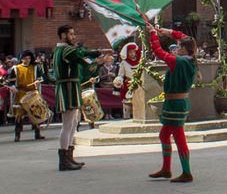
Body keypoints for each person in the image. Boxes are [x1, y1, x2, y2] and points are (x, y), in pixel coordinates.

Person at [53, 25, 107, 171]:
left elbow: (81, 52)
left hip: (71, 87)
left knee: (73, 123)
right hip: (67, 88)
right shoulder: (66, 50)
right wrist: (98, 61)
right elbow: (82, 60)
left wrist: (96, 54)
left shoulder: (61, 49)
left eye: (73, 33)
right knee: (68, 124)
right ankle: (64, 160)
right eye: (70, 34)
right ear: (63, 36)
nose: (73, 36)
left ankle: (69, 157)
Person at [147, 26, 197, 183]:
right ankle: (166, 169)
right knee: (164, 135)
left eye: (179, 46)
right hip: (176, 103)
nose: (177, 48)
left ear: (184, 49)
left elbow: (158, 51)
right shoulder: (190, 58)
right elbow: (184, 37)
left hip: (176, 104)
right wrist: (166, 31)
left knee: (179, 138)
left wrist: (153, 34)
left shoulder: (179, 61)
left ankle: (186, 172)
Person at [8, 50, 45, 141]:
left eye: (28, 58)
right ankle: (17, 135)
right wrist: (13, 87)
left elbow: (41, 78)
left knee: (36, 113)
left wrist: (38, 81)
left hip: (33, 93)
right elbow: (11, 82)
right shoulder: (16, 68)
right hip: (21, 93)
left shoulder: (35, 68)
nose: (27, 60)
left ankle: (37, 133)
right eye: (25, 58)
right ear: (21, 59)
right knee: (19, 115)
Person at [113, 43, 141, 119]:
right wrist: (119, 80)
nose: (132, 54)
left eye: (133, 52)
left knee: (139, 101)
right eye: (130, 52)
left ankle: (139, 116)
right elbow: (120, 75)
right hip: (128, 85)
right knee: (127, 103)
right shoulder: (124, 63)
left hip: (139, 84)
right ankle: (127, 117)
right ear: (127, 53)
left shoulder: (140, 62)